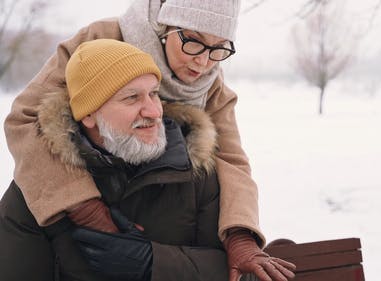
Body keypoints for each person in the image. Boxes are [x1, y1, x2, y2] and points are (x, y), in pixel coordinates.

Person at [3, 1, 290, 280]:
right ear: (165, 25)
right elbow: (25, 118)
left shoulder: (211, 86)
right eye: (193, 41)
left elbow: (232, 160)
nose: (202, 62)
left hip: (164, 197)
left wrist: (240, 236)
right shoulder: (100, 41)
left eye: (218, 48)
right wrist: (84, 206)